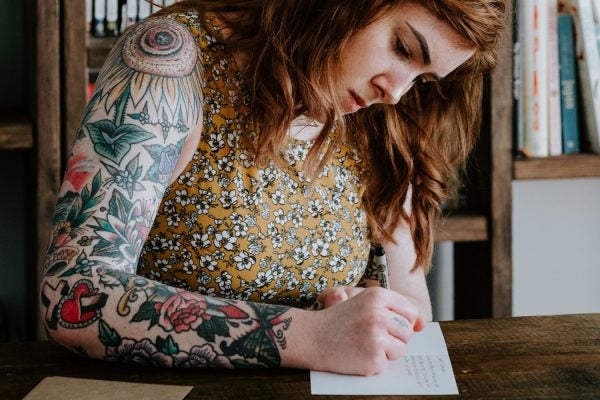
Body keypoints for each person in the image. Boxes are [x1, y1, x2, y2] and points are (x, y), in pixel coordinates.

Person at [40, 0, 505, 376]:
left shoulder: (380, 117)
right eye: (402, 48)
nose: (396, 92)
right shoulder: (171, 61)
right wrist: (312, 336)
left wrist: (371, 319)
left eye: (422, 79)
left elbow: (412, 310)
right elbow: (74, 296)